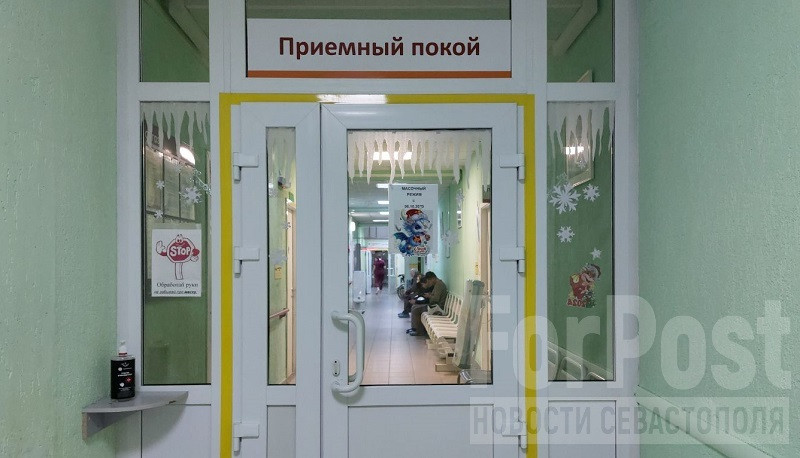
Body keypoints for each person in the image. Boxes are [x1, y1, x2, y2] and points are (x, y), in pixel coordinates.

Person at [407, 271, 447, 336]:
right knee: (415, 306)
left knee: (416, 309)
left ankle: (418, 330)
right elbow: (435, 296)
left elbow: (435, 299)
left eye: (429, 281)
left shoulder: (439, 285)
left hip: (437, 308)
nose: (429, 282)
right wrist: (430, 295)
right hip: (434, 305)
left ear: (433, 278)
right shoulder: (437, 284)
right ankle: (415, 328)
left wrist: (429, 296)